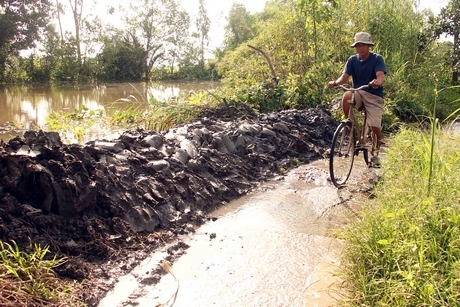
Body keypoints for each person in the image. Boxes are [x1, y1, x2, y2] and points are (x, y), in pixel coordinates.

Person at [328, 31, 387, 167]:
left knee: (375, 125)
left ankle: (375, 151)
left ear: (368, 46)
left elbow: (380, 76)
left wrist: (377, 82)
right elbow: (344, 78)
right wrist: (335, 83)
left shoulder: (377, 59)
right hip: (359, 92)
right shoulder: (352, 60)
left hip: (374, 96)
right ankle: (350, 126)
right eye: (357, 45)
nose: (360, 48)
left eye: (363, 45)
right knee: (347, 95)